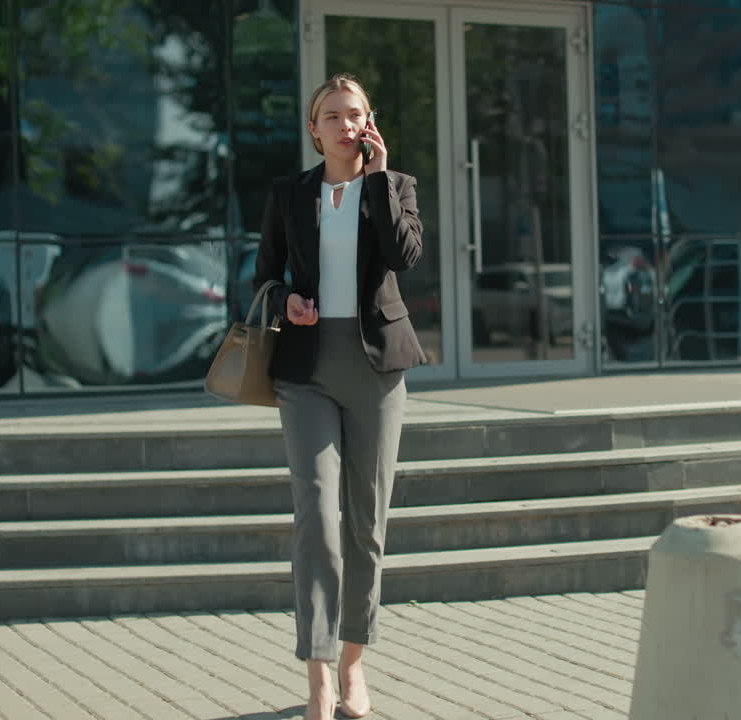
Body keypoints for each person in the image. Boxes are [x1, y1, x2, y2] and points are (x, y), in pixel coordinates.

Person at [251, 73, 426, 720]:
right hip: (305, 371)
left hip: (377, 372)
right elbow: (266, 272)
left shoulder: (395, 186)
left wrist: (378, 179)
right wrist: (287, 298)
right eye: (334, 114)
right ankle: (317, 674)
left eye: (356, 114)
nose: (347, 124)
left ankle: (355, 662)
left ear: (368, 123)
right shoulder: (288, 194)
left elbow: (406, 259)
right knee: (317, 522)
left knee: (365, 527)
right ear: (314, 128)